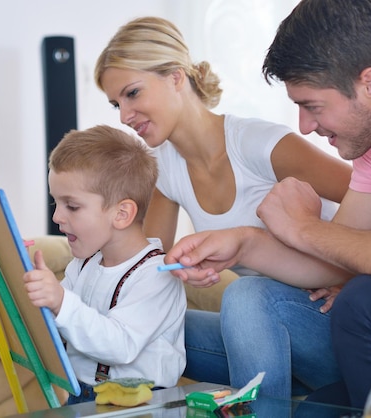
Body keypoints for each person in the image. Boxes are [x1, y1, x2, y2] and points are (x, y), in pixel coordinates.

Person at [165, 0, 371, 416]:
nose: (304, 125)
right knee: (320, 408)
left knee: (365, 302)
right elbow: (340, 257)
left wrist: (302, 227)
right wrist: (244, 245)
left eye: (312, 106)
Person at [94, 16, 352, 398]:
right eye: (116, 103)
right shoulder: (163, 166)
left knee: (245, 296)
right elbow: (148, 264)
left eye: (132, 93)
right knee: (149, 332)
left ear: (176, 77)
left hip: (337, 330)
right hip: (268, 343)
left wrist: (355, 280)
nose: (124, 115)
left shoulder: (259, 144)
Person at [23, 125, 187, 404]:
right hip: (83, 395)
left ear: (121, 214)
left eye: (71, 206)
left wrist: (60, 301)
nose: (57, 217)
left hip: (142, 405)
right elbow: (57, 324)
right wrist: (38, 298)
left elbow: (119, 345)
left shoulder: (157, 275)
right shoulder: (82, 265)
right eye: (55, 203)